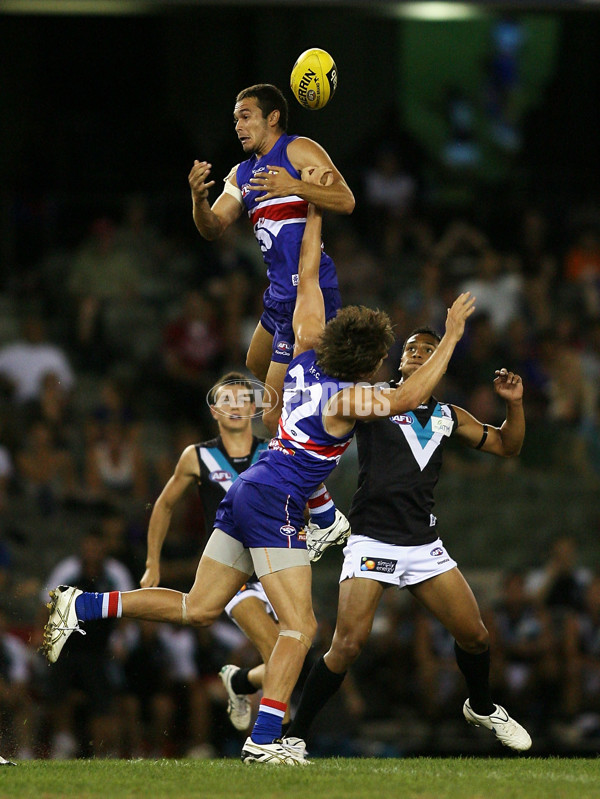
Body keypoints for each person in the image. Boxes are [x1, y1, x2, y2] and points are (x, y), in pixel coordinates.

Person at [43, 174, 475, 765]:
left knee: (199, 608)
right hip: (275, 503)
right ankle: (266, 742)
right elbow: (404, 399)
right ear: (370, 361)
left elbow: (306, 284)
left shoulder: (302, 355)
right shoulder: (347, 398)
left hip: (247, 491)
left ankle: (82, 606)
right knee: (301, 631)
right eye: (382, 357)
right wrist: (449, 337)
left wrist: (315, 212)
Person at [283, 325, 531, 756]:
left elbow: (508, 447)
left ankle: (482, 706)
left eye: (428, 349)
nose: (417, 352)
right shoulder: (375, 398)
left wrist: (515, 405)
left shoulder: (449, 416)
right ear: (400, 361)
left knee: (475, 636)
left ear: (440, 362)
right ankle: (293, 735)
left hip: (422, 544)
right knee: (346, 645)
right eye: (411, 348)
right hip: (372, 540)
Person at [191, 99, 354, 557]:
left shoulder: (298, 149)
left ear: (272, 117)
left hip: (309, 290)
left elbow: (346, 199)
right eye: (235, 117)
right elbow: (212, 227)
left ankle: (322, 512)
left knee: (270, 416)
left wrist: (294, 184)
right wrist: (199, 202)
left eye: (245, 116)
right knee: (253, 363)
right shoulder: (241, 173)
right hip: (278, 295)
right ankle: (318, 492)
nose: (238, 124)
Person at [138, 369, 278, 731]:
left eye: (242, 399)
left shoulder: (273, 452)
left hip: (276, 567)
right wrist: (153, 562)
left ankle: (241, 683)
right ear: (214, 411)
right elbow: (165, 505)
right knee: (277, 649)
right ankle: (277, 739)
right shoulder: (197, 457)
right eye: (225, 400)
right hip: (231, 574)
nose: (234, 406)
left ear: (255, 409)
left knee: (290, 655)